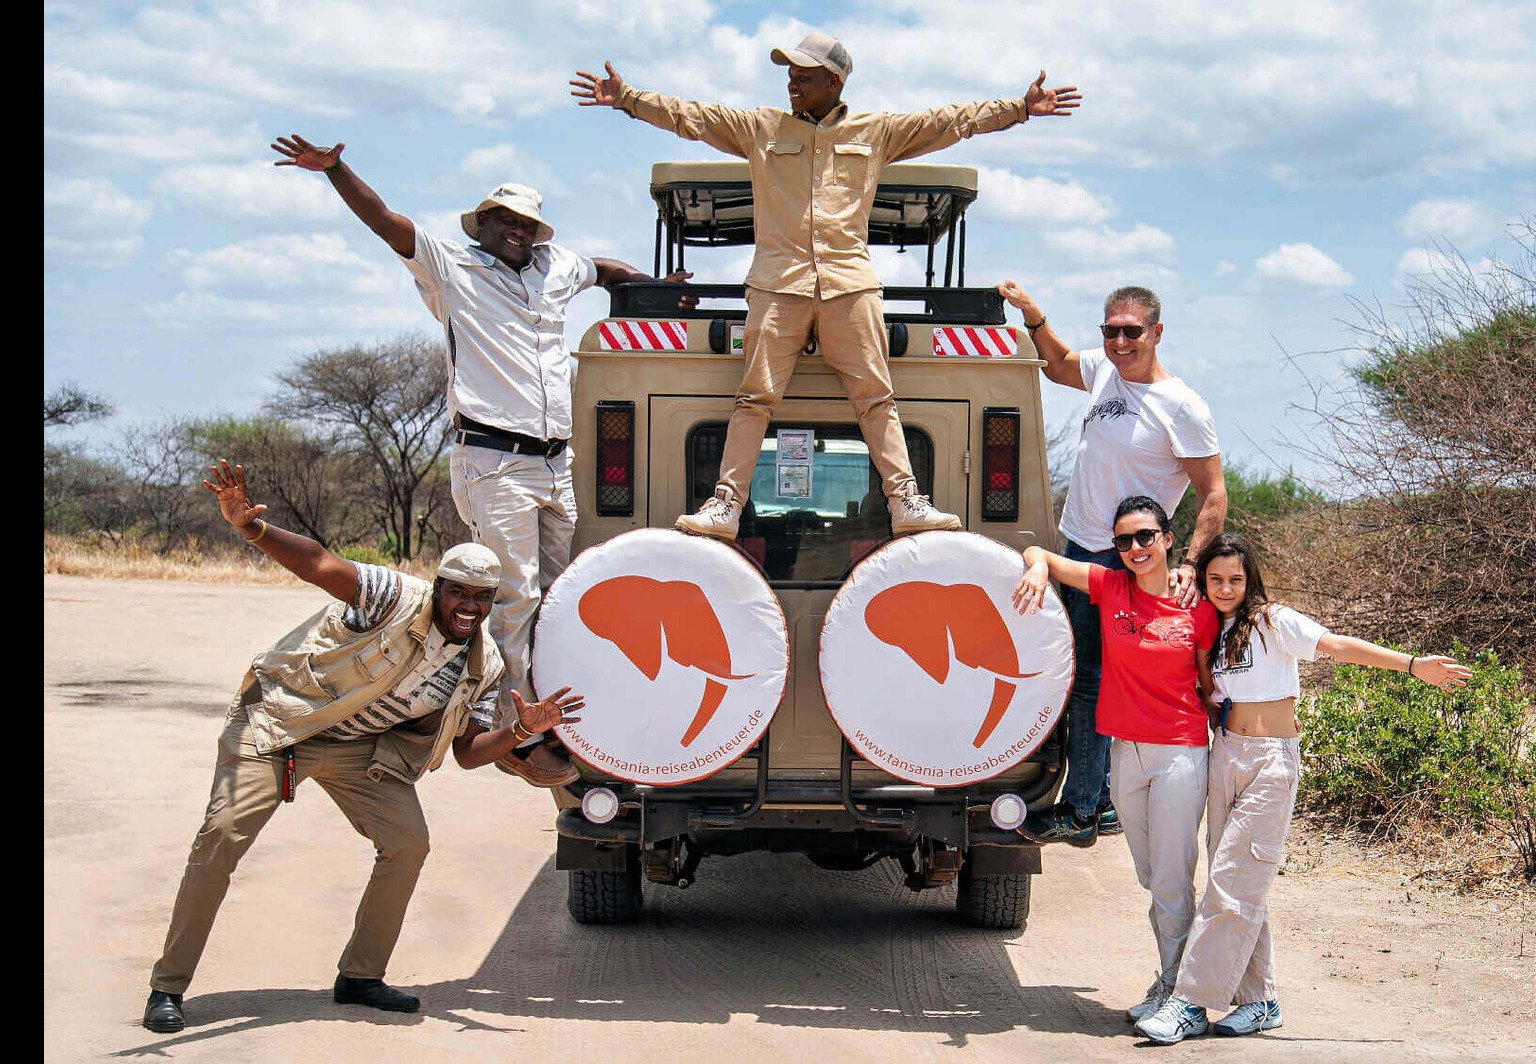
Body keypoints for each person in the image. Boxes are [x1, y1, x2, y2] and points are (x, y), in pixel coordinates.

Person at [273, 133, 683, 786]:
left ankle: (565, 715)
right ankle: (519, 740)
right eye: (507, 221)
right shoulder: (453, 269)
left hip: (555, 463)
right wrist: (336, 170)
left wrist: (654, 287)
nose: (518, 231)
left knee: (567, 597)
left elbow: (602, 269)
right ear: (483, 225)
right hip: (496, 461)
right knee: (516, 599)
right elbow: (388, 225)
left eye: (528, 223)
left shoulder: (553, 267)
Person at [571, 33, 1083, 540]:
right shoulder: (760, 128)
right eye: (789, 73)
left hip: (849, 285)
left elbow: (949, 122)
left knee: (877, 398)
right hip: (778, 285)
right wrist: (629, 99)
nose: (792, 82)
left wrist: (1019, 108)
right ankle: (726, 506)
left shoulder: (875, 131)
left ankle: (905, 502)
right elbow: (693, 117)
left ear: (834, 80)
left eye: (804, 74)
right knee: (753, 398)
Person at [141, 459, 585, 1034]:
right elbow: (320, 564)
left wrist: (523, 732)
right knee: (222, 836)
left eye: (481, 597)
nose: (468, 607)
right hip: (283, 725)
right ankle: (168, 986)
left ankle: (360, 977)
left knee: (408, 843)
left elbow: (469, 753)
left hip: (358, 752)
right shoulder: (393, 598)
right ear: (440, 588)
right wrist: (252, 529)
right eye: (458, 593)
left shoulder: (483, 665)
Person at [1133, 533, 1472, 1044]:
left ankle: (1192, 1002)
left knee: (1231, 880)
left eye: (1236, 579)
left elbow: (1336, 646)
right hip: (1225, 754)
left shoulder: (1274, 621)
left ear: (1251, 581)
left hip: (1270, 761)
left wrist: (1411, 665)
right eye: (1216, 579)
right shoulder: (1213, 632)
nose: (1226, 588)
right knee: (1242, 881)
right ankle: (1260, 1000)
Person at [998, 280, 1227, 846]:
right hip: (1079, 542)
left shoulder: (1183, 406)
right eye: (1111, 330)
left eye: (1131, 331)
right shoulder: (1104, 370)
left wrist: (1191, 564)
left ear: (1156, 333)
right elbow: (1054, 365)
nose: (1120, 341)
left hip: (1125, 556)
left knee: (1090, 681)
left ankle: (1078, 810)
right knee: (1084, 674)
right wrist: (1033, 316)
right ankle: (1099, 801)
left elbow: (1214, 494)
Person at [1011, 496, 1217, 1028]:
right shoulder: (1111, 587)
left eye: (1145, 537)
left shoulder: (1197, 605)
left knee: (1172, 879)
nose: (1134, 549)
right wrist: (1036, 566)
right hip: (1126, 752)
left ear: (1169, 538)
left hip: (1180, 753)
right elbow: (1042, 552)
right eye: (1123, 541)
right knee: (1152, 875)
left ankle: (1183, 994)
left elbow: (1217, 679)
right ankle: (1174, 979)